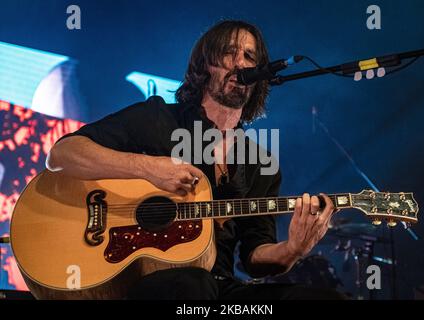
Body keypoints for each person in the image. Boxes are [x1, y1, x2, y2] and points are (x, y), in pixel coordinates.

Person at [47, 20, 344, 300]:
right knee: (193, 286)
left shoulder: (259, 161)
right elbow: (62, 154)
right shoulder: (159, 119)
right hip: (144, 281)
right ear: (205, 65)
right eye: (229, 52)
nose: (241, 62)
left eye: (250, 56)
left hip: (222, 289)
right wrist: (147, 167)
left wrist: (292, 249)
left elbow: (254, 257)